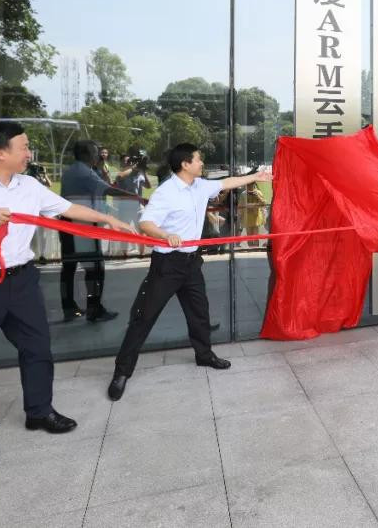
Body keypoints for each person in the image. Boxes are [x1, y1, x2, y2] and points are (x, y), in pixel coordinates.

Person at [0, 121, 136, 470]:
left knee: (37, 349)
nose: (29, 153)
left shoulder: (29, 186)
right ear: (0, 152)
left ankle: (39, 411)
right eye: (23, 147)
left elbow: (66, 209)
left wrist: (107, 220)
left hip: (22, 282)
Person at [107, 143, 272, 401]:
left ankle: (204, 355)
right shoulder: (166, 192)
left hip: (191, 263)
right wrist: (166, 235)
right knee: (144, 317)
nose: (201, 163)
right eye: (198, 159)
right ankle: (122, 372)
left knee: (199, 312)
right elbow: (146, 223)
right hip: (167, 265)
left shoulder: (200, 186)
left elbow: (227, 182)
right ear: (185, 164)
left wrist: (255, 177)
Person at [59, 140, 145, 322]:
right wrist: (137, 197)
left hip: (69, 223)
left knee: (69, 267)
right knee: (95, 268)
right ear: (86, 154)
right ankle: (94, 309)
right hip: (82, 225)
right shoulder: (84, 173)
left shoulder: (72, 171)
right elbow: (109, 190)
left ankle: (69, 307)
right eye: (95, 152)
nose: (98, 155)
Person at [115, 149, 152, 255]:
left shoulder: (139, 173)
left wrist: (143, 171)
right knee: (125, 231)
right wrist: (133, 168)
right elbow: (118, 177)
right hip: (125, 206)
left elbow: (148, 186)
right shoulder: (124, 173)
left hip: (138, 207)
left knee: (141, 230)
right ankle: (124, 254)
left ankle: (141, 254)